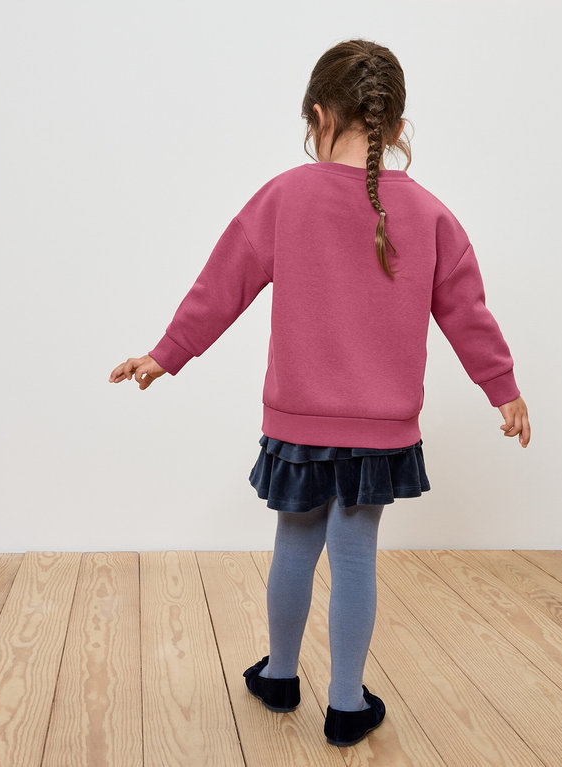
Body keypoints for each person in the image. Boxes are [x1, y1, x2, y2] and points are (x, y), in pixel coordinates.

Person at [109, 38, 530, 748]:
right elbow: (467, 310)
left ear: (317, 115)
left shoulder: (285, 196)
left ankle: (278, 675)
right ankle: (344, 703)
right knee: (355, 551)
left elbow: (222, 287)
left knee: (295, 543)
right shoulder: (429, 214)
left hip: (297, 420)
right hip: (381, 428)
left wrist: (165, 354)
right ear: (398, 128)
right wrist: (503, 388)